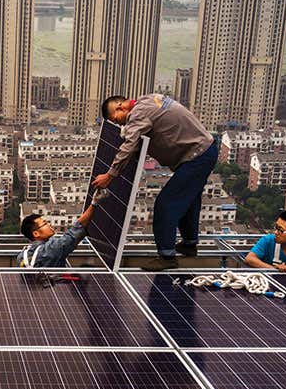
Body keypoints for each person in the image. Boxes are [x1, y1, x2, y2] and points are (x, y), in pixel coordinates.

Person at [93, 93, 218, 271]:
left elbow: (129, 146)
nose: (120, 124)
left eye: (116, 119)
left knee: (166, 204)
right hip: (204, 150)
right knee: (189, 199)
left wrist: (109, 175)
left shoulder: (137, 114)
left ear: (120, 107)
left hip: (197, 156)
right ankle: (189, 244)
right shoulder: (148, 100)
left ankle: (167, 257)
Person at [18, 200, 100, 268]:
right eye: (45, 223)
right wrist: (94, 203)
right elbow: (74, 233)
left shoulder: (22, 255)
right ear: (36, 233)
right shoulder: (51, 249)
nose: (49, 224)